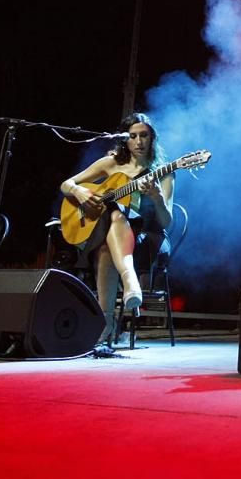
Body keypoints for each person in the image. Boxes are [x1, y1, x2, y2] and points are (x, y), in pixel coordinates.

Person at [60, 112, 173, 343]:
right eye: (133, 136)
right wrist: (78, 191)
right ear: (124, 139)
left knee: (111, 231)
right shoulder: (110, 163)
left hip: (148, 240)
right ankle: (129, 285)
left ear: (153, 138)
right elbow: (66, 184)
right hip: (115, 237)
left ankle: (107, 321)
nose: (139, 142)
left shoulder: (163, 172)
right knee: (115, 218)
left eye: (144, 136)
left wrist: (158, 198)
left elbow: (167, 222)